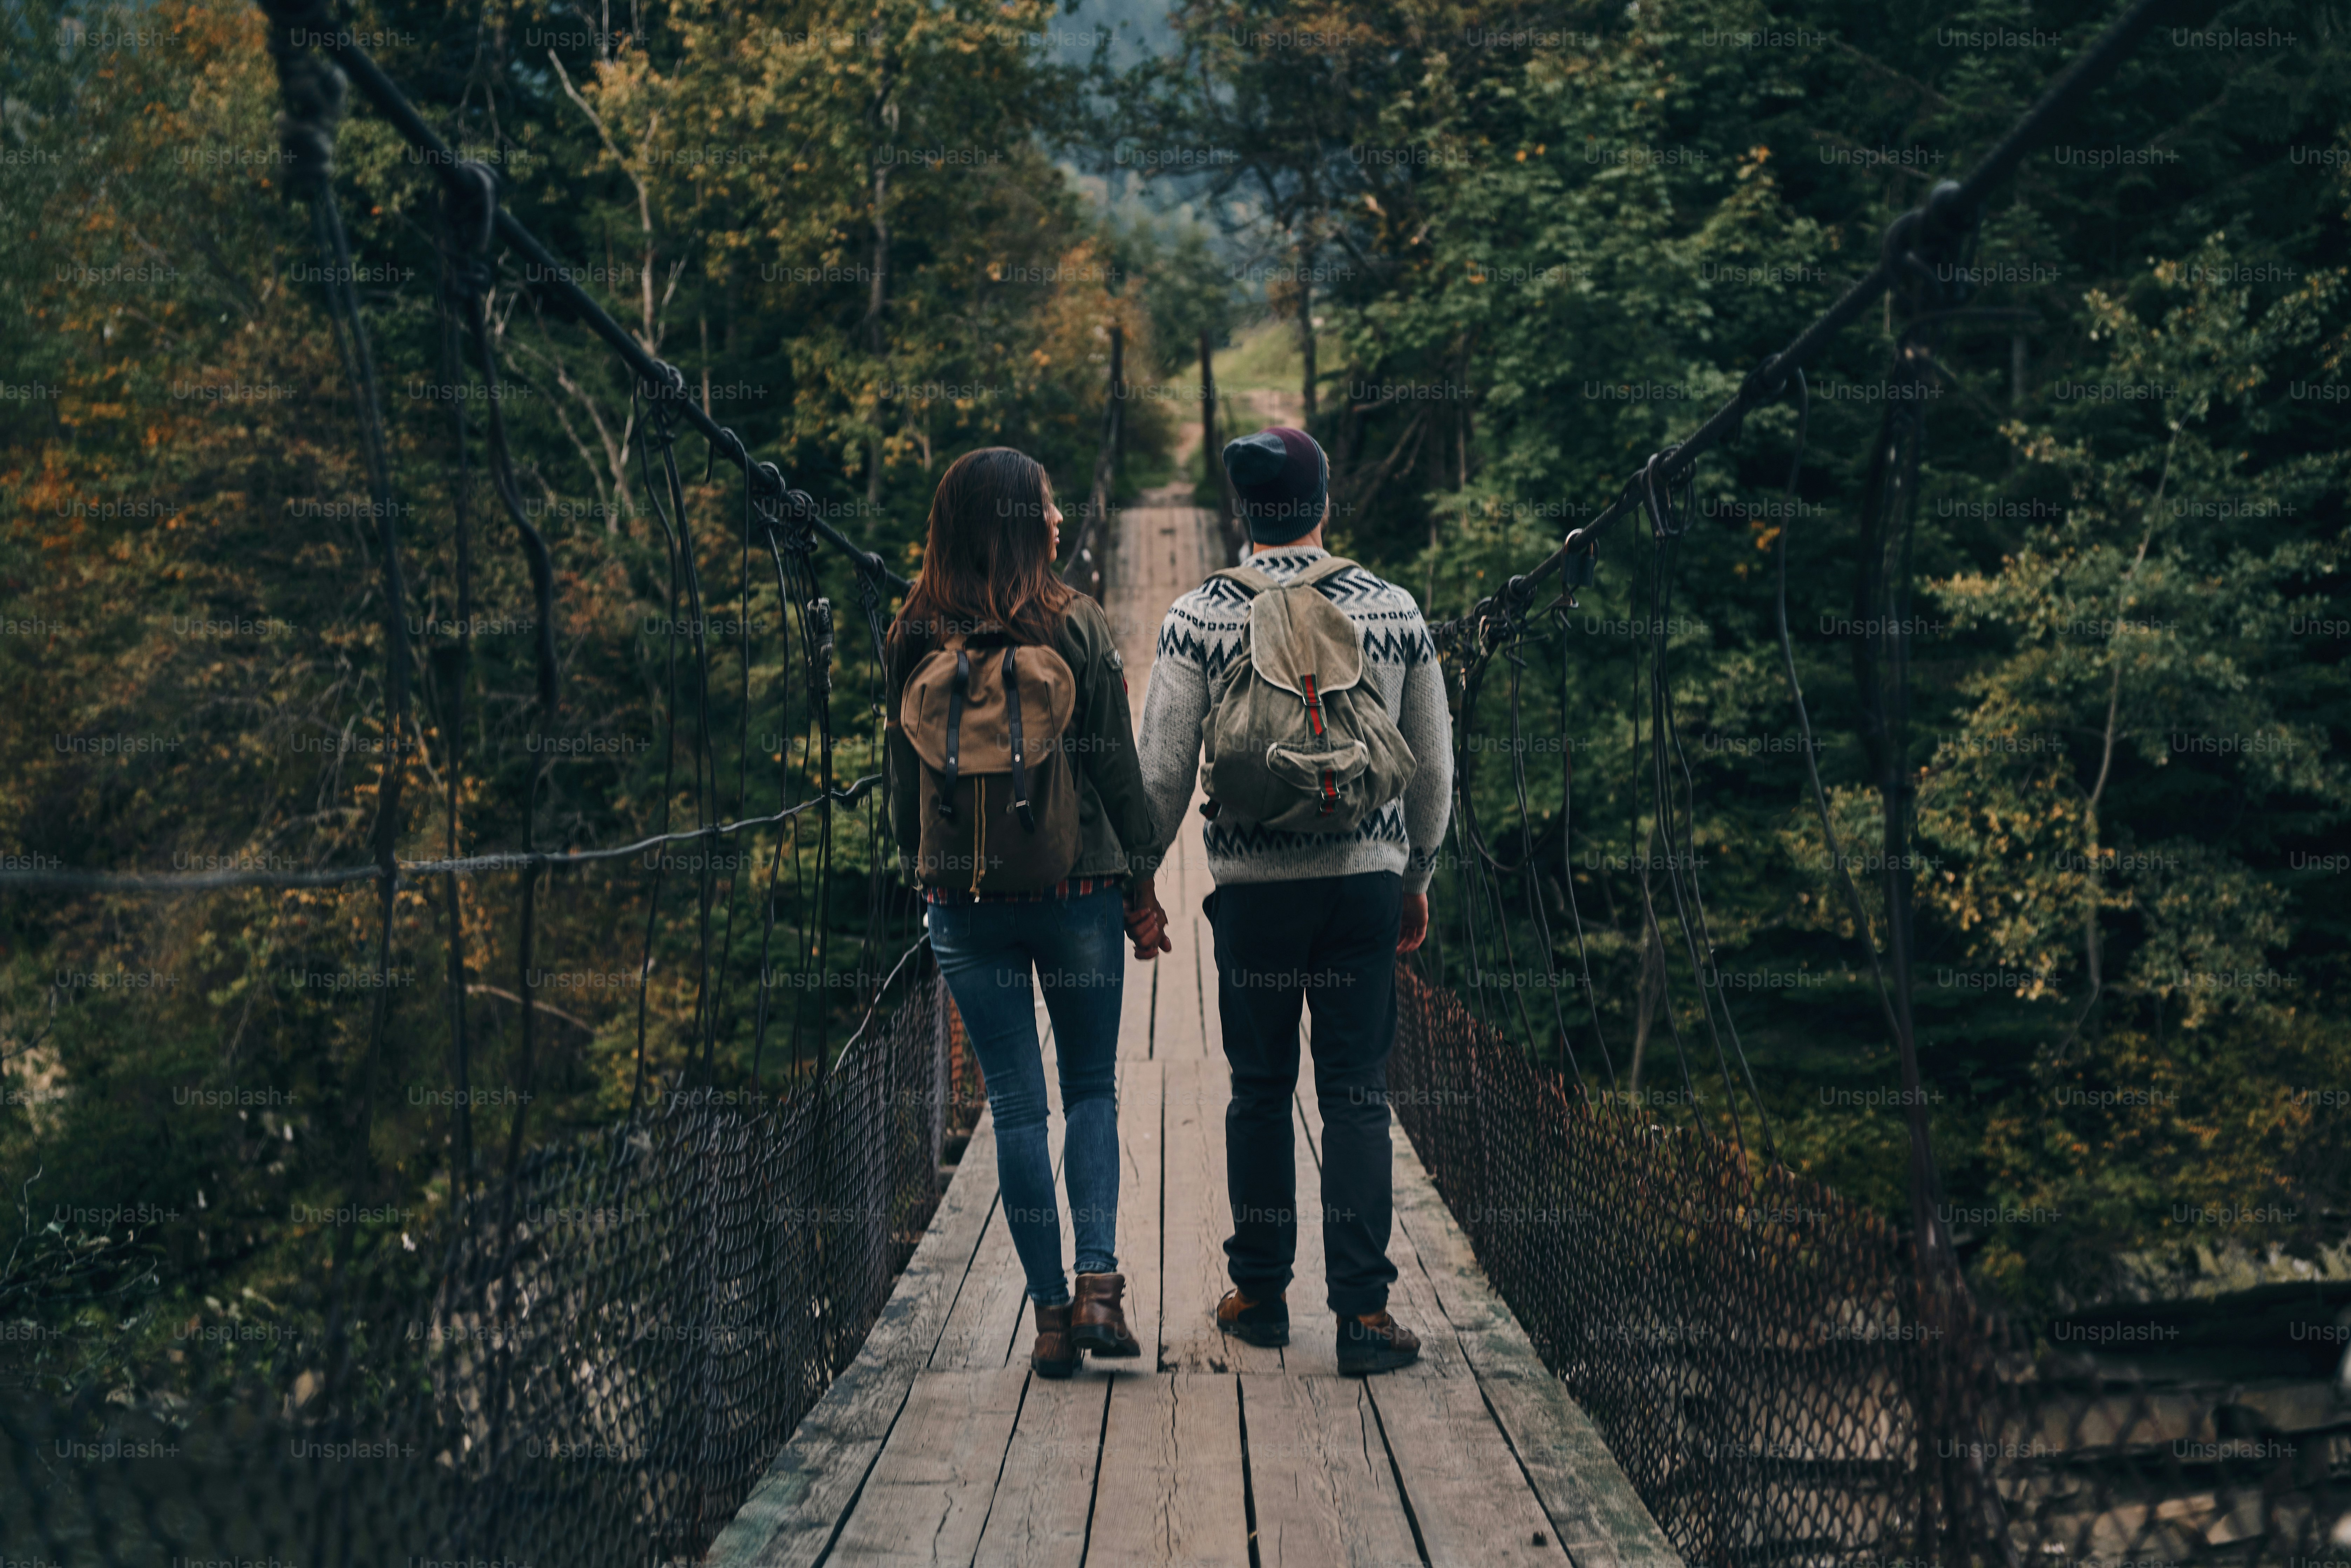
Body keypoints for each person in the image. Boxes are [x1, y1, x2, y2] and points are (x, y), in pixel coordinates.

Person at [1129, 426, 1454, 1376]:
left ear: (1242, 513)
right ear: (1324, 502)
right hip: (1361, 884)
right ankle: (1362, 1317)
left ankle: (1261, 1294)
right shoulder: (1392, 608)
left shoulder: (1197, 614)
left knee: (1260, 1092)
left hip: (1254, 896)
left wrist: (1138, 879)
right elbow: (1431, 767)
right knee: (1355, 1093)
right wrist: (1416, 875)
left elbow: (1160, 770)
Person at [883, 447, 1169, 1378]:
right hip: (1077, 888)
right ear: (1025, 523)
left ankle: (1049, 1320)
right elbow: (1118, 771)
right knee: (1089, 1085)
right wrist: (1143, 879)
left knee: (1014, 1105)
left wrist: (923, 871)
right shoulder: (1075, 624)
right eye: (1046, 508)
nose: (1057, 521)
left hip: (965, 903)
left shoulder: (913, 633)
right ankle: (1097, 1284)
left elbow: (902, 788)